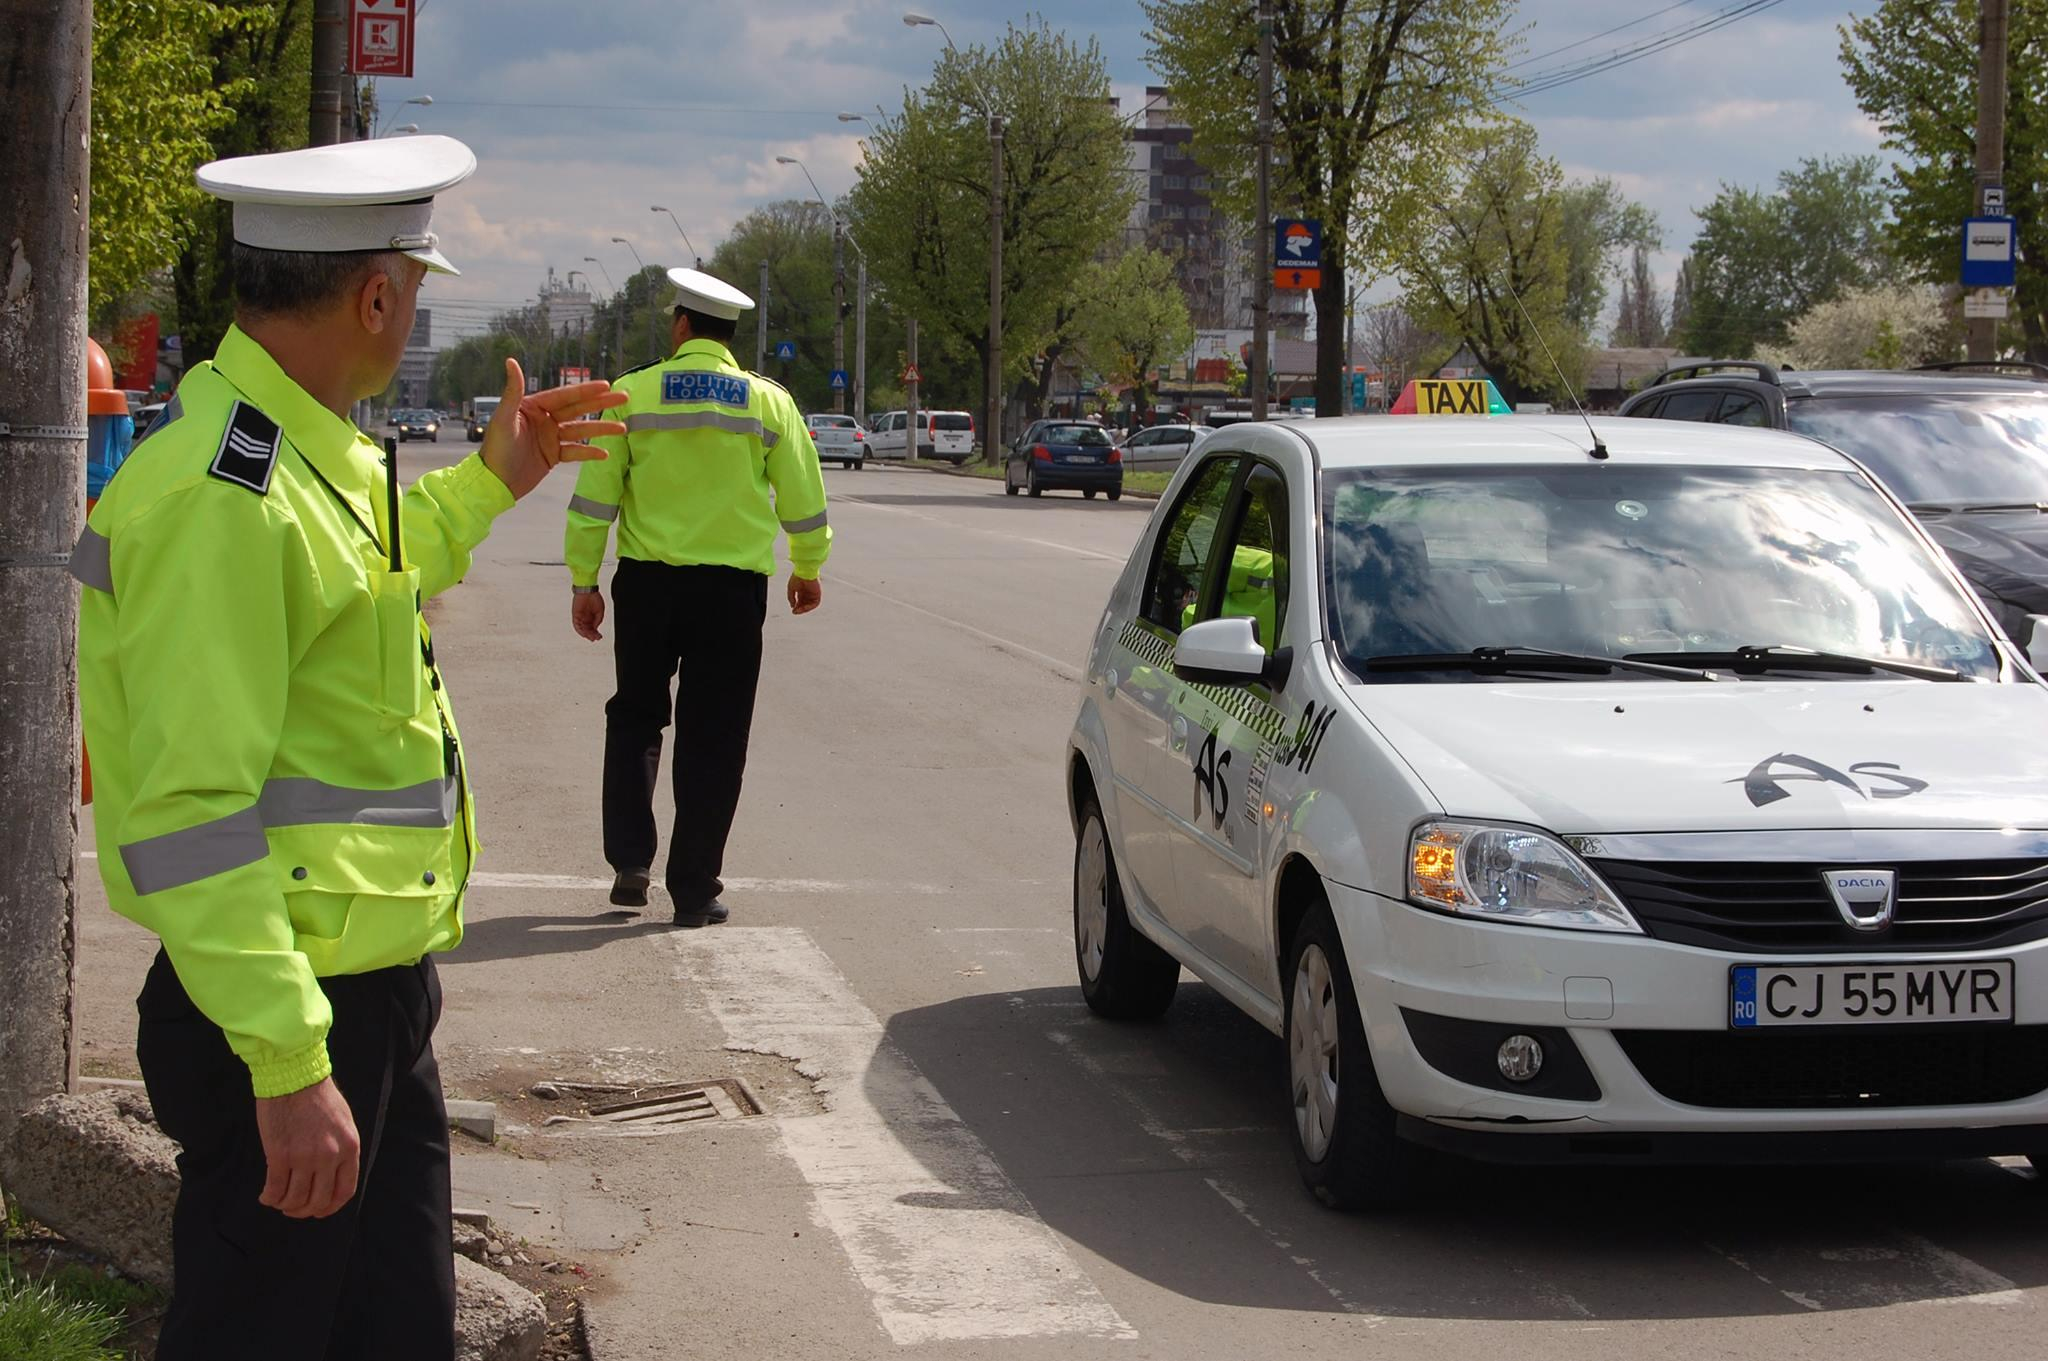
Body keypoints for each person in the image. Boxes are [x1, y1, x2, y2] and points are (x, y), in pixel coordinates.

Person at [71, 135, 625, 1360]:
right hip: (283, 1007)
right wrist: (284, 1061)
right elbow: (187, 812)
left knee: (394, 1330)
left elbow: (360, 583)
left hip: (357, 992)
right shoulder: (227, 499)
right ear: (376, 298)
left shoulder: (288, 461)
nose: (410, 308)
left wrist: (491, 480)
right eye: (414, 287)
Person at [564, 267, 830, 924]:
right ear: (730, 335)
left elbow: (594, 499)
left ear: (681, 327)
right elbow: (804, 499)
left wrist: (584, 580)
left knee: (636, 716)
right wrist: (807, 567)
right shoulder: (768, 403)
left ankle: (630, 860)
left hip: (648, 584)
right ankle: (694, 888)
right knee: (715, 736)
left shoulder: (631, 393)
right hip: (732, 592)